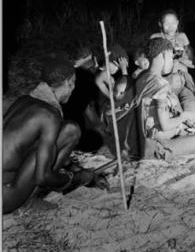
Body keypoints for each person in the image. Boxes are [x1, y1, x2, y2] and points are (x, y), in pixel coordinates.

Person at [3, 56, 109, 214]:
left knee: (65, 131)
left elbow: (39, 150)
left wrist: (74, 168)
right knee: (72, 130)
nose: (73, 90)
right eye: (73, 85)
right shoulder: (49, 115)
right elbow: (43, 176)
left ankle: (24, 197)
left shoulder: (24, 101)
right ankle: (27, 201)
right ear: (69, 82)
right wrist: (79, 178)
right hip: (5, 198)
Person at [95, 45, 140, 159]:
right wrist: (124, 71)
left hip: (111, 106)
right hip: (106, 111)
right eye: (116, 66)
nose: (117, 70)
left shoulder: (107, 75)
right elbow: (112, 97)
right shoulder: (101, 76)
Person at [62, 46, 102, 152]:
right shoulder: (87, 77)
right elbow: (90, 109)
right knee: (96, 140)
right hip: (74, 126)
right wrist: (99, 125)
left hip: (57, 121)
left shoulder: (64, 73)